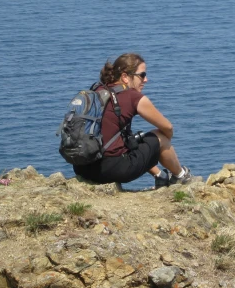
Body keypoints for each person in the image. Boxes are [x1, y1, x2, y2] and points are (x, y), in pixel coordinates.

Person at [73, 53, 192, 188]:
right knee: (160, 137)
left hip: (82, 168)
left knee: (131, 140)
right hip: (112, 170)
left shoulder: (98, 89)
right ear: (125, 77)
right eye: (142, 75)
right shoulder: (132, 97)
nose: (146, 79)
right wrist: (164, 142)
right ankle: (181, 176)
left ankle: (161, 176)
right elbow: (168, 128)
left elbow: (122, 142)